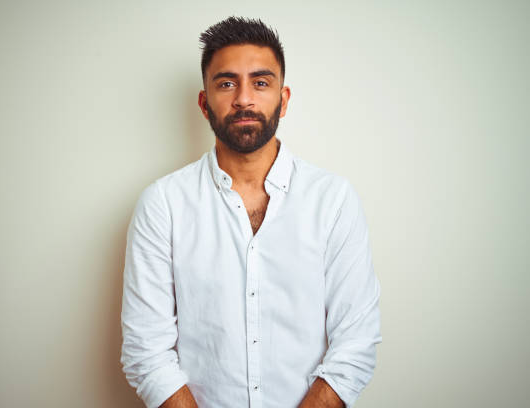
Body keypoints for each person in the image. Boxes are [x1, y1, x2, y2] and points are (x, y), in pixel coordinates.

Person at [120, 16, 382, 408]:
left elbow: (356, 342)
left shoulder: (333, 200)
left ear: (284, 98)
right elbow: (146, 350)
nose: (244, 98)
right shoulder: (163, 205)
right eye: (227, 83)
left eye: (261, 82)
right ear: (204, 101)